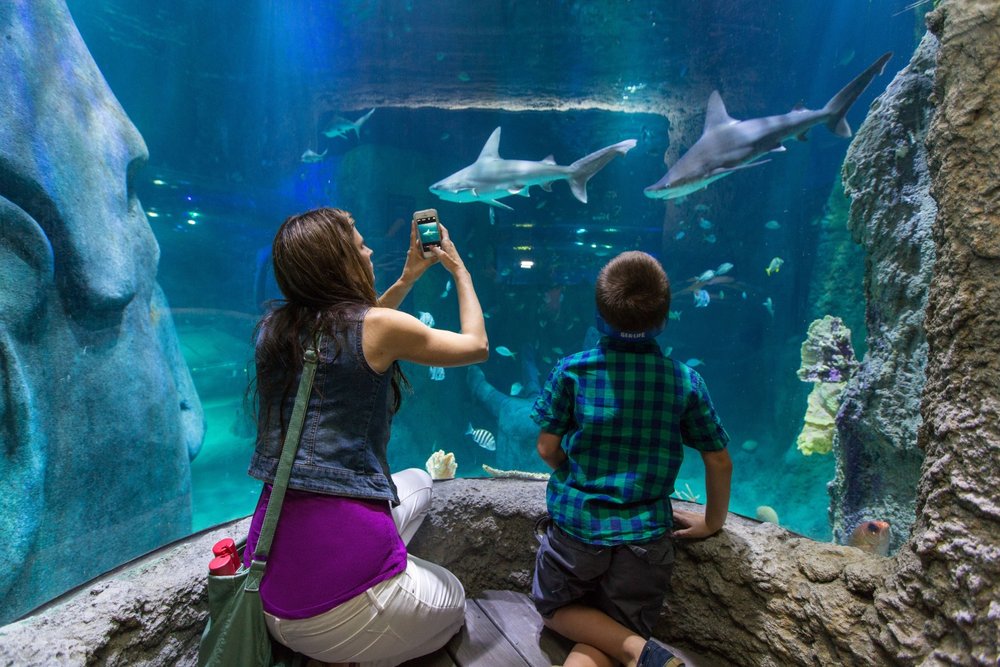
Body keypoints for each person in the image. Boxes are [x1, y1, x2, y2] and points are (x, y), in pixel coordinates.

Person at [243, 207, 488, 667]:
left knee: (417, 480)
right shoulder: (379, 328)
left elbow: (352, 331)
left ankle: (377, 573)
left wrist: (408, 278)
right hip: (334, 619)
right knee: (453, 600)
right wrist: (459, 269)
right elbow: (476, 345)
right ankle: (374, 613)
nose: (369, 249)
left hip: (265, 589)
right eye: (359, 244)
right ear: (338, 261)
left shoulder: (275, 331)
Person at [530, 251, 732, 667]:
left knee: (555, 610)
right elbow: (719, 460)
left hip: (577, 532)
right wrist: (712, 521)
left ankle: (636, 650)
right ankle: (639, 649)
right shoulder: (685, 381)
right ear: (663, 319)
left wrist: (574, 474)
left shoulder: (572, 371)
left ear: (600, 316)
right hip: (645, 540)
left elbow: (547, 449)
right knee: (617, 623)